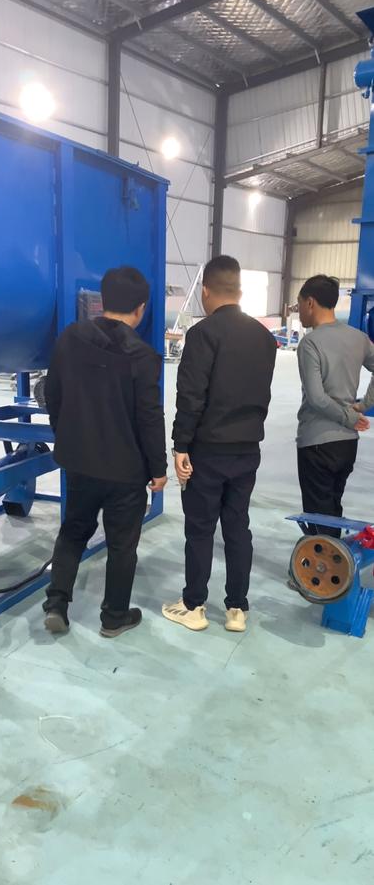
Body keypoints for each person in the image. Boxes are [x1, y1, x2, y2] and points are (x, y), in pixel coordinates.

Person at [43, 266, 167, 638]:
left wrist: (65, 436)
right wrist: (158, 468)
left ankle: (57, 603)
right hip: (125, 470)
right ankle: (114, 617)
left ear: (103, 300)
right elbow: (149, 417)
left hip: (79, 461)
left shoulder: (70, 339)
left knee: (73, 531)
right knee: (122, 545)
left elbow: (53, 394)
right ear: (141, 308)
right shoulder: (143, 356)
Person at [163, 255, 276, 634]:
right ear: (239, 291)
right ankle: (237, 608)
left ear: (206, 291)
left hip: (208, 451)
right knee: (238, 527)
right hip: (247, 449)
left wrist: (180, 445)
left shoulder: (203, 334)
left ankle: (194, 605)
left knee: (199, 529)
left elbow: (191, 396)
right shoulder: (264, 338)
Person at [295, 274, 373, 538]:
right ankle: (333, 556)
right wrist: (364, 405)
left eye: (299, 303)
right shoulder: (358, 338)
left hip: (317, 443)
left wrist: (350, 417)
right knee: (332, 508)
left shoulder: (310, 343)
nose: (299, 310)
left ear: (310, 302)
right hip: (347, 444)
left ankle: (326, 562)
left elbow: (316, 398)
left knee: (318, 516)